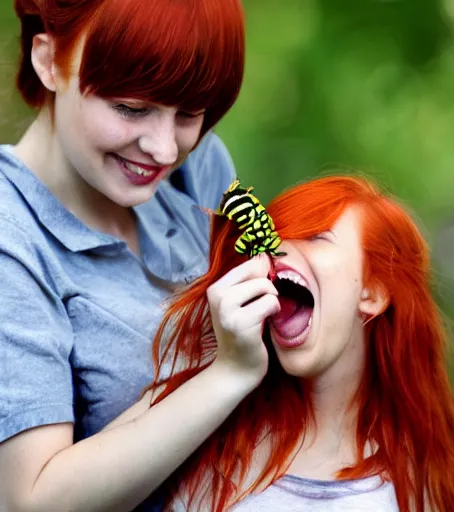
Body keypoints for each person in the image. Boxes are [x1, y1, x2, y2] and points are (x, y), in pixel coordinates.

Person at [0, 1, 273, 511]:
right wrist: (224, 374)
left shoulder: (200, 172)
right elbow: (30, 501)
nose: (165, 149)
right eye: (131, 107)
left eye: (190, 113)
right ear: (50, 62)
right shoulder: (12, 238)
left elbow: (271, 253)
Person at [149, 176, 454, 512]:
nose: (280, 247)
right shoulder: (202, 418)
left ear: (373, 292)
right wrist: (228, 372)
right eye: (279, 233)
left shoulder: (412, 496)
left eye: (317, 236)